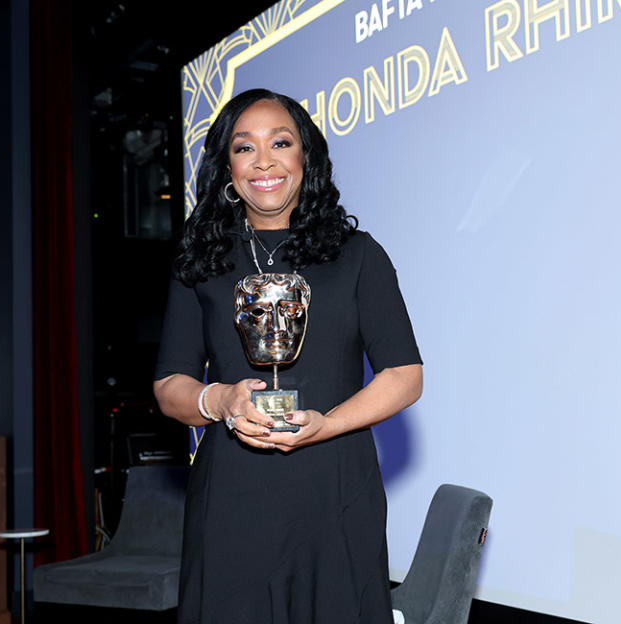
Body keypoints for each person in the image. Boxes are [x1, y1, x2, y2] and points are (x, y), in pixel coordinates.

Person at [153, 88, 423, 624]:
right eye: (244, 147)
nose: (264, 161)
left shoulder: (357, 255)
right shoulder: (201, 260)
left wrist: (326, 425)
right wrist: (222, 400)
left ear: (306, 157)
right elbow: (169, 386)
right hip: (232, 496)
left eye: (280, 142)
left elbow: (404, 375)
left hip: (337, 491)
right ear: (227, 167)